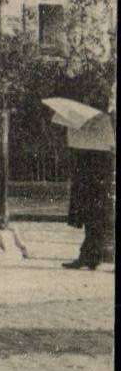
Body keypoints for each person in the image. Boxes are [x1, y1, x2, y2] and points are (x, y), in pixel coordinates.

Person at [63, 89, 116, 270]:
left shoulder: (94, 121)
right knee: (96, 217)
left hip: (91, 174)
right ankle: (90, 256)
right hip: (98, 173)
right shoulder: (104, 121)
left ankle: (91, 256)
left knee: (94, 217)